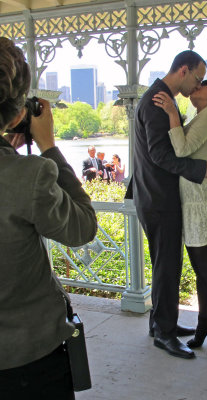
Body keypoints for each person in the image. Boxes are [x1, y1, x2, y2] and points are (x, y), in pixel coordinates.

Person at [0, 37, 97, 400]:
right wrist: (49, 147)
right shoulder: (31, 175)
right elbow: (84, 226)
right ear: (18, 112)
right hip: (27, 359)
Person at [126, 50, 207, 359]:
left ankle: (160, 323)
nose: (196, 86)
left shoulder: (163, 97)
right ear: (183, 70)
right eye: (196, 78)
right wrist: (201, 170)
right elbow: (160, 156)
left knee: (164, 264)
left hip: (155, 196)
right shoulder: (157, 101)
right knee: (168, 265)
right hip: (158, 198)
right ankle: (165, 333)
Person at [153, 78, 207, 356]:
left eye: (202, 85)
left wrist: (172, 115)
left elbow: (181, 150)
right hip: (194, 198)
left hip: (200, 199)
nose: (195, 88)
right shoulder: (202, 116)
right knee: (202, 271)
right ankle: (204, 324)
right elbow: (189, 152)